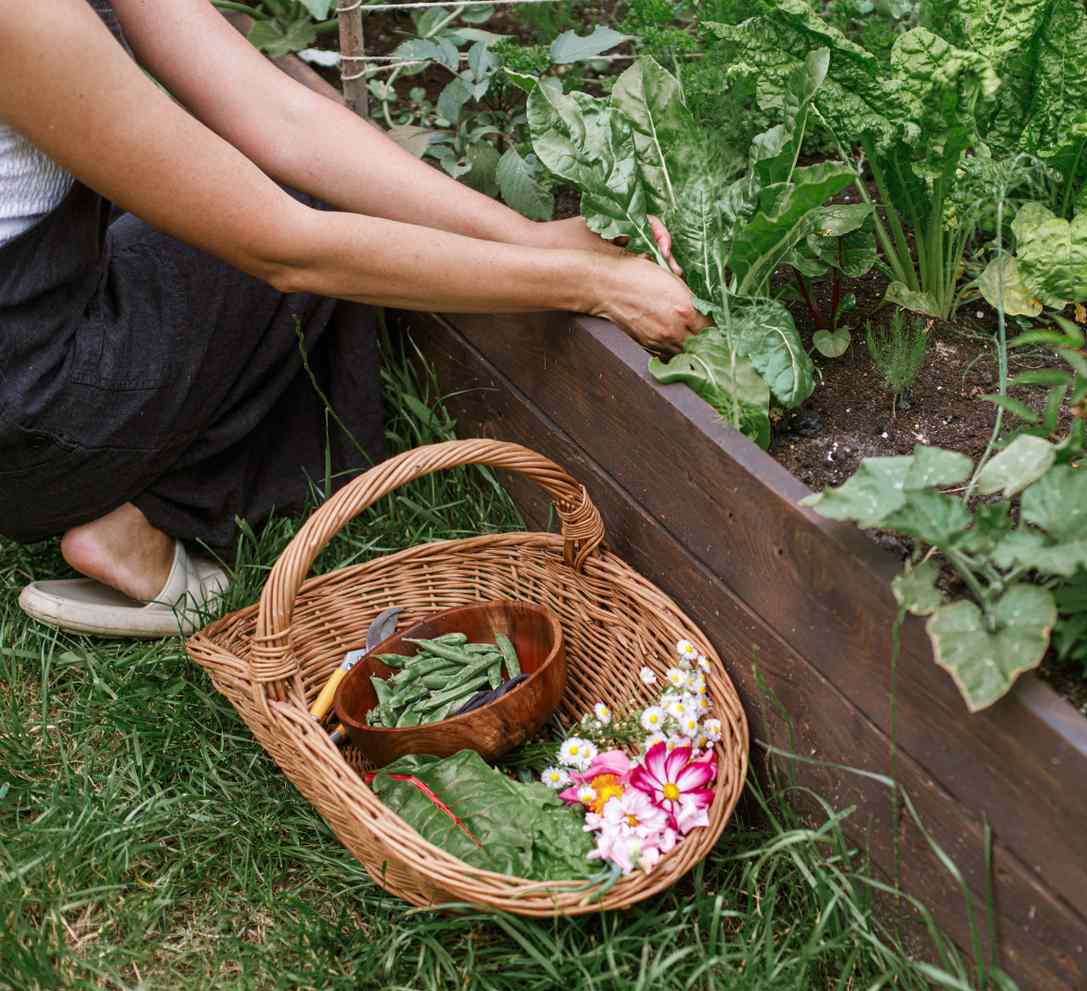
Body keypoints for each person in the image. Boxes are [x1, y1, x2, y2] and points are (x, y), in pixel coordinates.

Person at [0, 0, 708, 637]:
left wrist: (529, 237)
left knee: (241, 175)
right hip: (23, 402)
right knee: (306, 216)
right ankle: (155, 517)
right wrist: (586, 283)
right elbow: (283, 245)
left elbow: (277, 114)